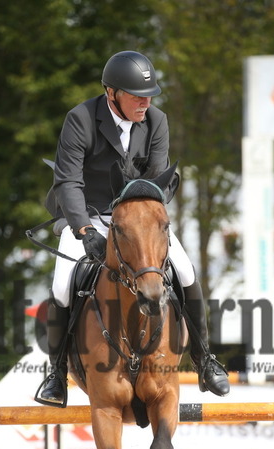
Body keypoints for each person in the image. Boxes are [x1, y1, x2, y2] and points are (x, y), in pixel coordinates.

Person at [38, 50, 229, 406]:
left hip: (137, 220)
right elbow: (68, 182)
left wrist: (141, 220)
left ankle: (205, 360)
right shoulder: (80, 119)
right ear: (111, 93)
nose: (146, 102)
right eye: (137, 96)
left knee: (185, 272)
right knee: (62, 284)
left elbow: (156, 180)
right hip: (88, 215)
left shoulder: (156, 121)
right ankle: (55, 374)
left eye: (150, 95)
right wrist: (84, 231)